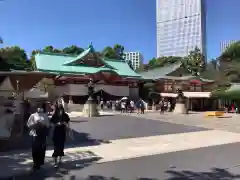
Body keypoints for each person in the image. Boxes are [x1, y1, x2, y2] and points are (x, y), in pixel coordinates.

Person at [27, 105, 50, 171]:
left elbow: (48, 125)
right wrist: (35, 124)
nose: (40, 109)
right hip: (35, 134)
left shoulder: (45, 116)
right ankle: (35, 163)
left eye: (41, 107)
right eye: (38, 107)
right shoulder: (33, 115)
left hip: (42, 134)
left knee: (42, 149)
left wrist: (43, 125)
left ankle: (40, 162)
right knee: (35, 149)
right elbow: (28, 124)